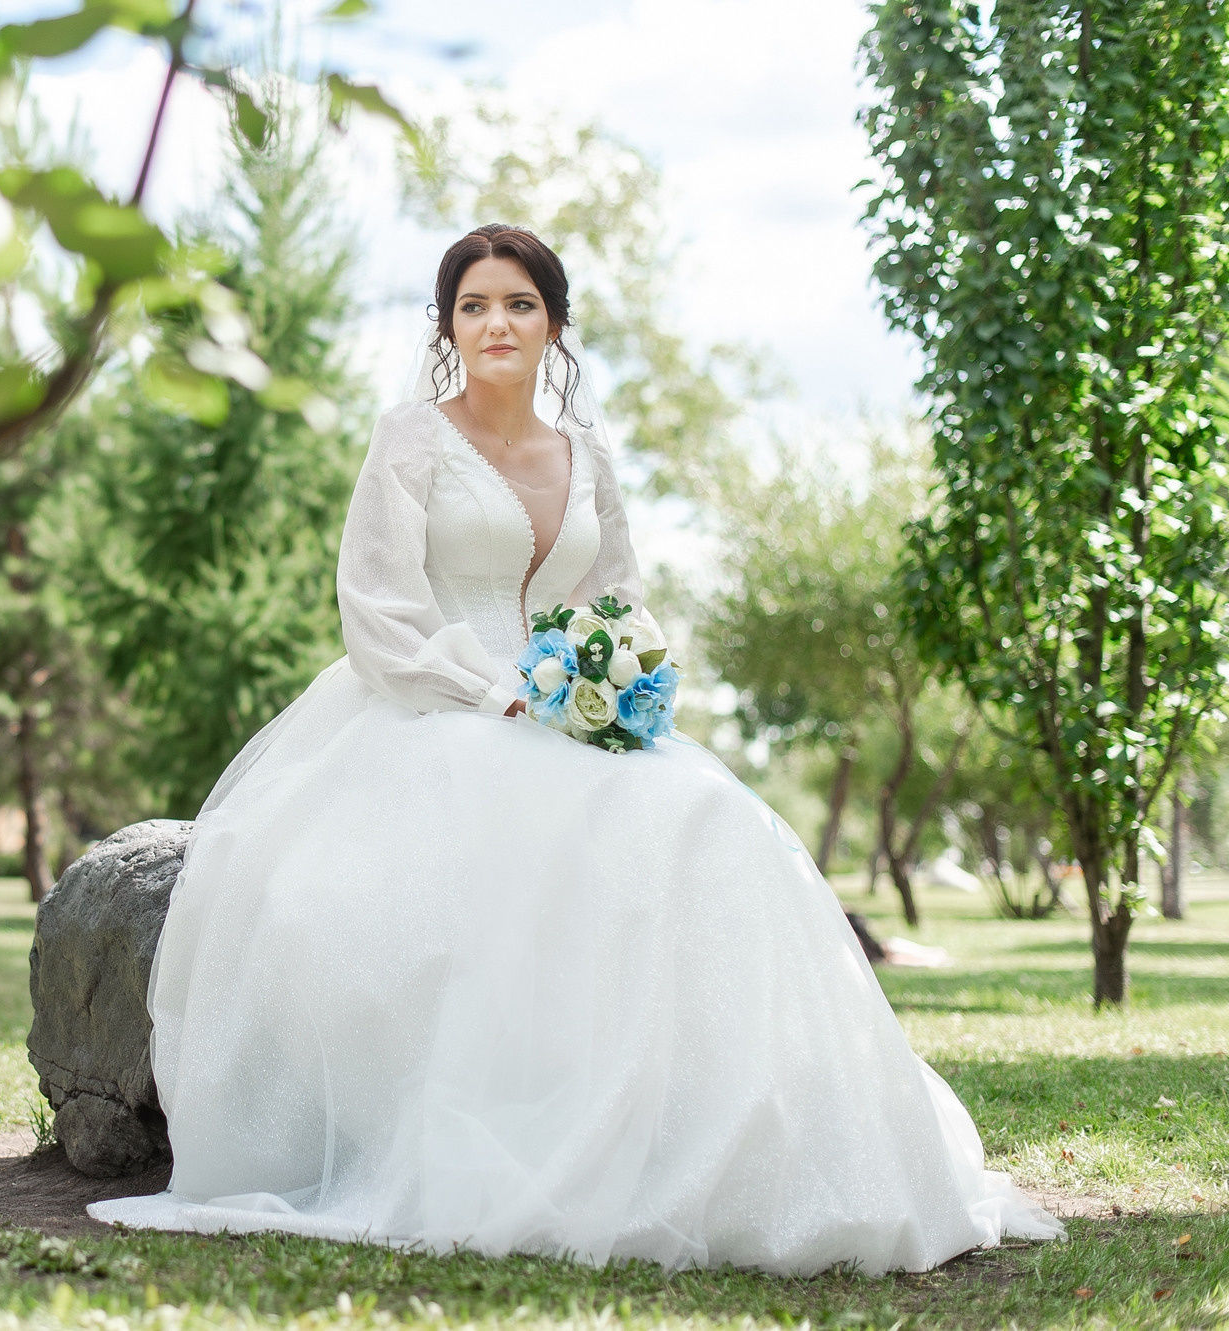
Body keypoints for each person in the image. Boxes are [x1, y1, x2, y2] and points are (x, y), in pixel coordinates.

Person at [87, 225, 1062, 1274]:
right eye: (471, 305)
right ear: (446, 325)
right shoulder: (409, 438)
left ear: (551, 323)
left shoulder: (583, 454)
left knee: (709, 820)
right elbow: (376, 608)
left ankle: (711, 1130)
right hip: (432, 703)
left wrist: (613, 685)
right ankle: (506, 1125)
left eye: (516, 303)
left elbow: (619, 599)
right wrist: (489, 691)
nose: (493, 323)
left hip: (572, 712)